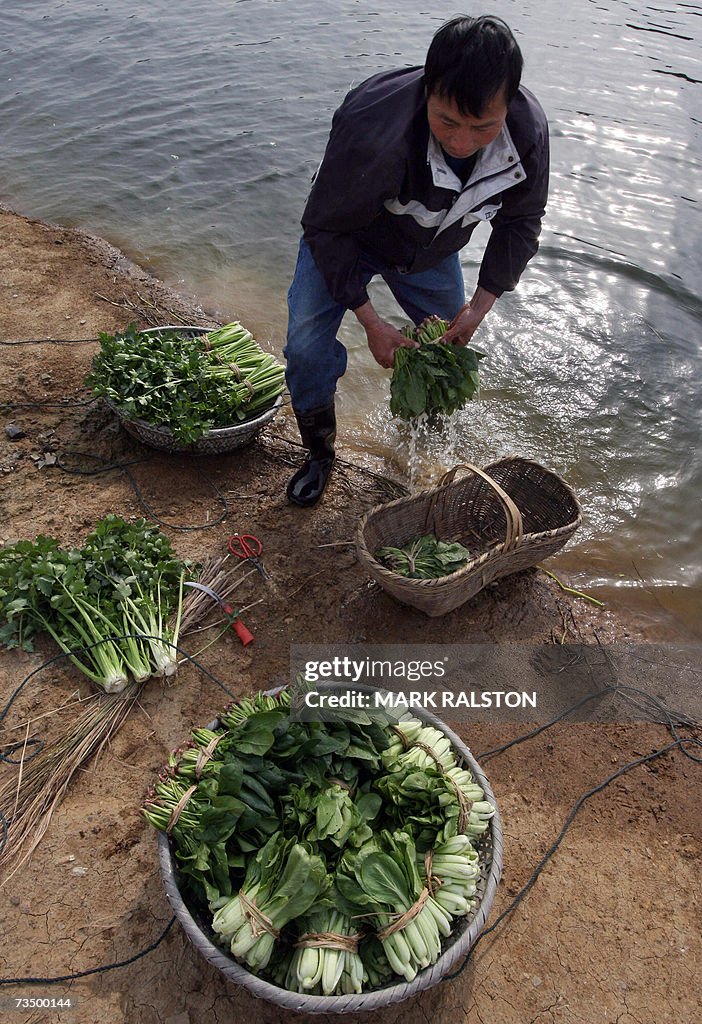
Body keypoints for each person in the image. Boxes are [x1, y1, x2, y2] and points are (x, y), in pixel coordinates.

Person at [284, 14, 549, 507]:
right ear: (428, 89)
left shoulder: (527, 134)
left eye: (482, 126)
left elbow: (520, 223)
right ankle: (319, 454)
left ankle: (426, 450)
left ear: (508, 104)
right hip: (348, 237)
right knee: (305, 346)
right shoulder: (372, 124)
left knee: (447, 345)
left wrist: (480, 305)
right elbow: (325, 225)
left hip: (431, 248)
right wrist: (370, 321)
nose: (462, 141)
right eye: (447, 121)